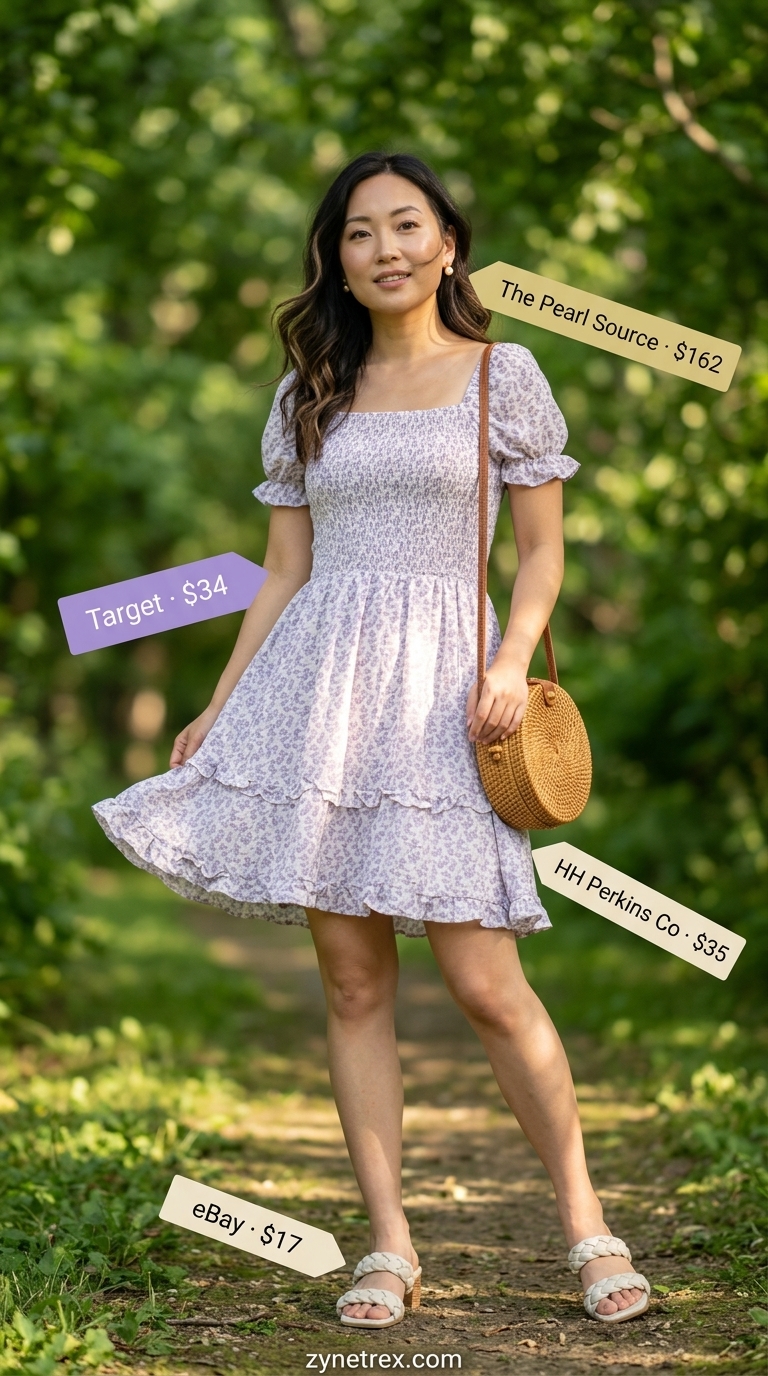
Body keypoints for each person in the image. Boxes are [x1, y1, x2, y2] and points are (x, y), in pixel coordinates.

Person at [94, 152, 650, 1329]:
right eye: (359, 232)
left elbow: (541, 553)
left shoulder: (508, 374)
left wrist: (509, 660)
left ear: (449, 242)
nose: (384, 248)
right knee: (352, 980)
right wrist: (221, 699)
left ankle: (588, 1223)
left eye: (408, 225)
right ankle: (387, 1245)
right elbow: (283, 571)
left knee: (488, 980)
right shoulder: (309, 386)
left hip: (453, 691)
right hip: (324, 691)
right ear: (335, 257)